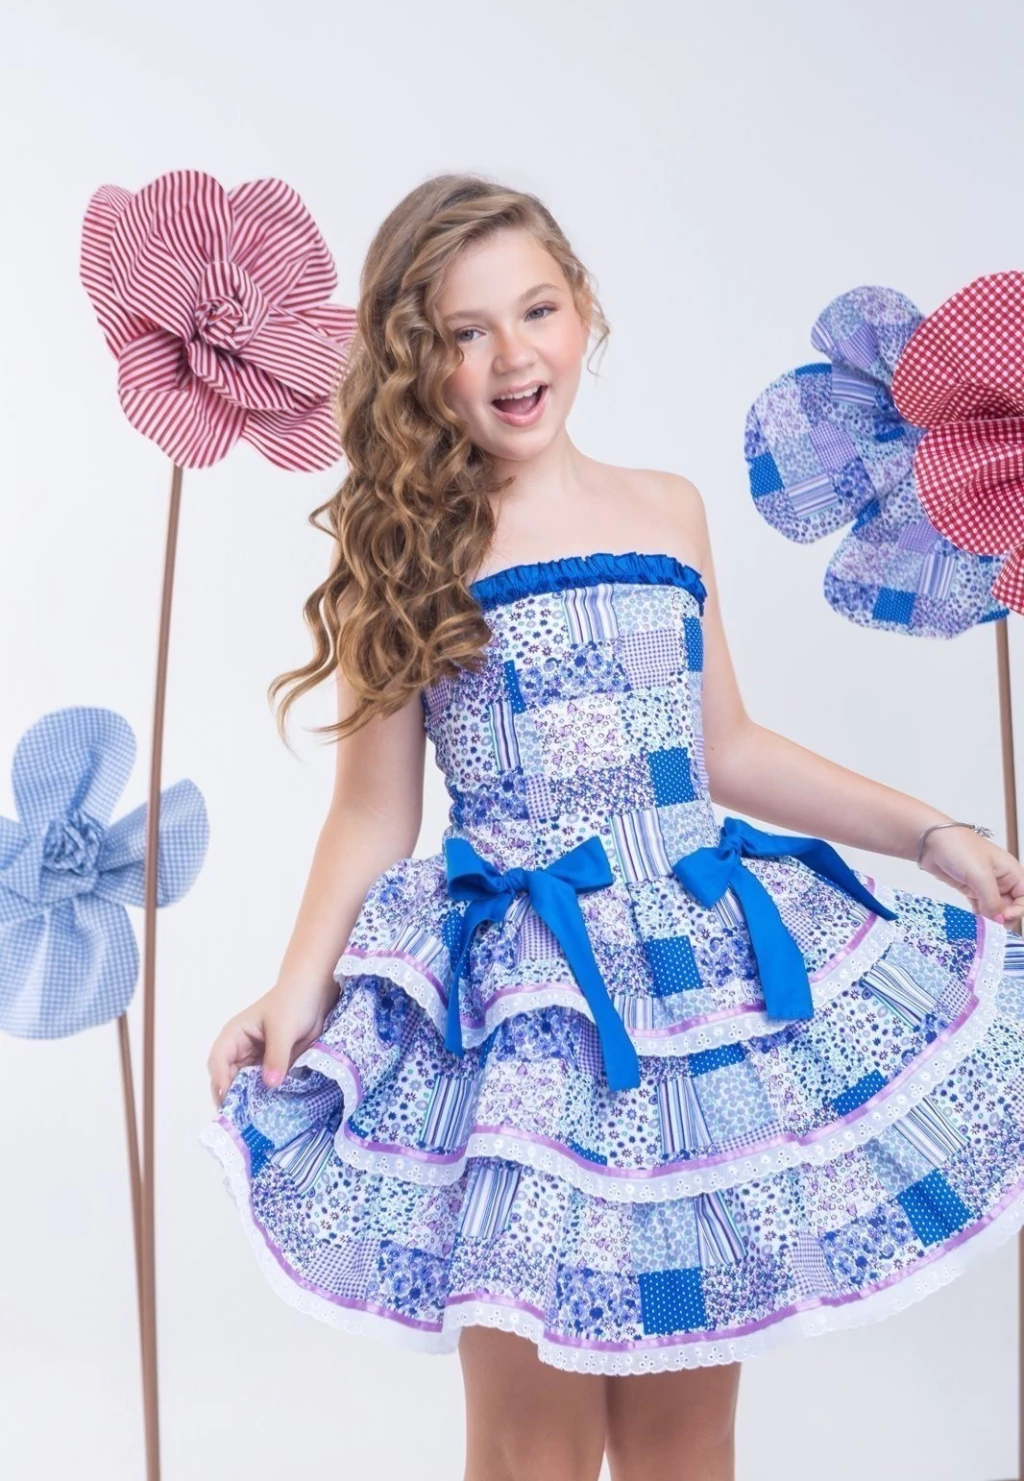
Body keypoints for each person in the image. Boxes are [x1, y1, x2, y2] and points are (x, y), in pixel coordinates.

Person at [201, 172, 1024, 1481]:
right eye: (465, 332)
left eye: (536, 310)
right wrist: (296, 986)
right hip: (526, 1019)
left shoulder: (667, 509)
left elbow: (727, 749)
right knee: (530, 1445)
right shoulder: (407, 547)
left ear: (583, 308)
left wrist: (931, 834)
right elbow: (370, 812)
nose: (512, 356)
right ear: (418, 360)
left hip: (696, 997)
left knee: (685, 1437)